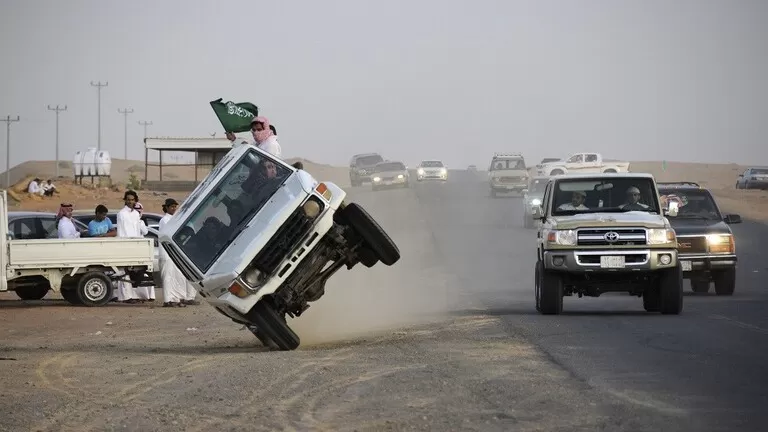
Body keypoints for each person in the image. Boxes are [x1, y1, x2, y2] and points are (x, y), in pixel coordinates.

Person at [115, 191, 144, 303]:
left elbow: (137, 231)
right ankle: (125, 297)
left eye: (132, 199)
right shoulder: (121, 214)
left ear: (135, 200)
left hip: (135, 245)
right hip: (125, 245)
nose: (130, 201)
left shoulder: (136, 214)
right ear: (125, 200)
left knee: (134, 272)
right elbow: (121, 232)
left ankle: (133, 295)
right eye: (128, 199)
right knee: (124, 271)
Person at [158, 198, 187, 307]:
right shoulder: (164, 220)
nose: (174, 209)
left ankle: (177, 299)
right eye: (171, 207)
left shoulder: (174, 219)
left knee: (176, 276)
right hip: (166, 252)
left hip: (174, 252)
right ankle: (168, 300)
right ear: (166, 208)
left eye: (175, 207)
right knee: (168, 277)